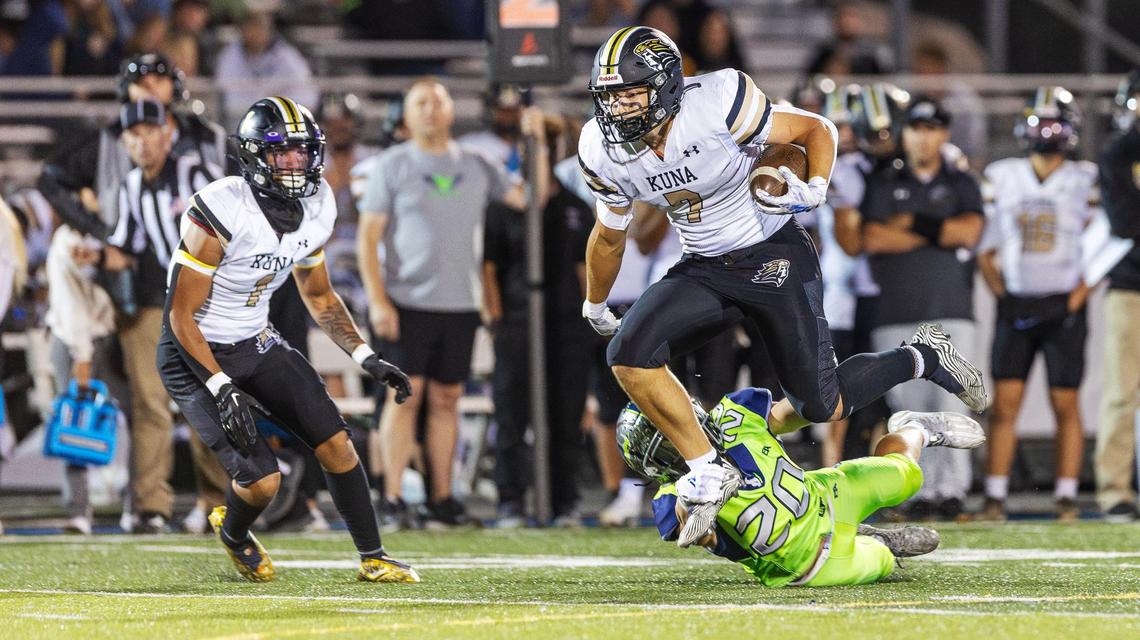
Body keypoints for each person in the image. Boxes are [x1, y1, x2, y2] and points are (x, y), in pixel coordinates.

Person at [578, 26, 986, 547]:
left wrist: (814, 186)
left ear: (666, 86)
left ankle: (922, 356)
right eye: (610, 96)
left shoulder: (718, 100)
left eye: (631, 94)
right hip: (704, 265)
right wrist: (595, 302)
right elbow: (608, 235)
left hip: (773, 253)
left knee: (822, 406)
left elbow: (815, 129)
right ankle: (706, 470)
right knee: (628, 353)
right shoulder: (601, 147)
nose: (618, 108)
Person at [158, 96, 418, 583]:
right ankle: (234, 532)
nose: (296, 162)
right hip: (194, 351)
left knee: (337, 443)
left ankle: (374, 556)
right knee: (263, 482)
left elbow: (318, 295)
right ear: (255, 155)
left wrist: (366, 356)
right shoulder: (222, 206)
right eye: (282, 152)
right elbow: (180, 315)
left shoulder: (318, 204)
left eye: (302, 151)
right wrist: (220, 386)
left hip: (254, 339)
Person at [356, 77, 544, 529]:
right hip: (405, 300)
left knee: (447, 399)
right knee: (404, 397)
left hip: (460, 302)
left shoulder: (476, 163)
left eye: (437, 101)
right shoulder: (393, 164)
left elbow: (529, 198)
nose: (430, 110)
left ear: (451, 111)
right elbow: (367, 237)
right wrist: (378, 300)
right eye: (420, 102)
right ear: (406, 114)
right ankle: (393, 497)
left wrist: (536, 141)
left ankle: (442, 497)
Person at [619, 386, 986, 586]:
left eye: (676, 426)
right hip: (811, 563)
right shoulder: (672, 496)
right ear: (651, 461)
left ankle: (916, 429)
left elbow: (794, 412)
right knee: (884, 561)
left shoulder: (734, 415)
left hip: (826, 492)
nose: (679, 441)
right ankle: (876, 540)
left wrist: (818, 398)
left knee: (907, 475)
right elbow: (694, 531)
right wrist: (695, 492)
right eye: (665, 441)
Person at [95, 98, 222, 533]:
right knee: (150, 404)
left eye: (150, 130)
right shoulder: (131, 185)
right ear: (125, 142)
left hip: (208, 302)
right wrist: (94, 255)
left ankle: (219, 503)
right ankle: (151, 505)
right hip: (158, 300)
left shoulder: (195, 173)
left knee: (207, 397)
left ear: (168, 133)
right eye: (133, 134)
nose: (142, 141)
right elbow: (125, 246)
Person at [861, 97, 986, 521]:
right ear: (905, 133)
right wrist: (938, 232)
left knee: (952, 404)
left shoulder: (961, 181)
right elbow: (873, 238)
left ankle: (952, 491)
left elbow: (969, 232)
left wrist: (912, 223)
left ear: (944, 134)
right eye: (917, 128)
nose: (923, 138)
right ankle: (918, 489)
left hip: (950, 308)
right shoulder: (883, 181)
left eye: (932, 129)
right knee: (908, 408)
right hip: (897, 309)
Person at [977, 87, 1097, 522]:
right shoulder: (1003, 175)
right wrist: (1002, 295)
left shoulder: (1085, 178)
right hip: (1016, 303)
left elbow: (1102, 246)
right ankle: (994, 497)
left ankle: (1066, 496)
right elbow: (984, 250)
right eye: (1039, 123)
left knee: (1066, 402)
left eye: (1054, 123)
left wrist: (1074, 300)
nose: (1047, 132)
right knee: (1005, 404)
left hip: (1064, 306)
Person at [483, 114, 593, 526]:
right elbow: (489, 268)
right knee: (512, 412)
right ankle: (511, 499)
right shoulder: (504, 206)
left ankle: (565, 500)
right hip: (517, 320)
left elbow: (585, 270)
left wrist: (589, 317)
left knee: (566, 414)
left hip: (565, 323)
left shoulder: (574, 208)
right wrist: (496, 319)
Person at [1095, 70, 1140, 522]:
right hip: (1131, 287)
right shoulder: (1120, 153)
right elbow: (1124, 220)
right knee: (1122, 394)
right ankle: (1114, 491)